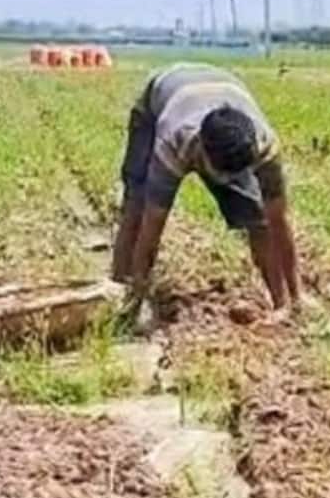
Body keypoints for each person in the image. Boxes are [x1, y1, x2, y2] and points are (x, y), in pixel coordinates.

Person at [111, 62, 301, 312]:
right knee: (137, 205)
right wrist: (139, 300)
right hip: (158, 100)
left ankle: (281, 300)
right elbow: (152, 228)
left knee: (258, 220)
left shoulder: (264, 146)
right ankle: (124, 293)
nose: (224, 182)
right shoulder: (174, 143)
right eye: (219, 174)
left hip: (224, 88)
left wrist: (292, 303)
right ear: (201, 150)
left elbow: (277, 222)